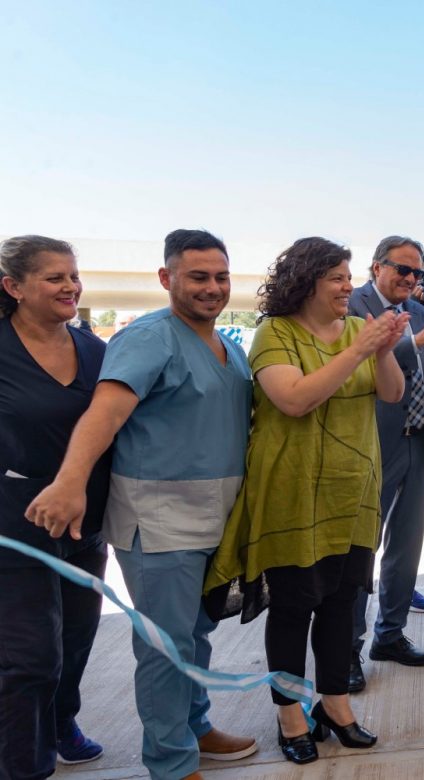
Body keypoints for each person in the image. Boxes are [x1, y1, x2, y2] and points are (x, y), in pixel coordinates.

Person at [25, 229, 257, 779]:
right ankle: (171, 763)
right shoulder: (150, 338)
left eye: (221, 277)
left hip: (216, 517)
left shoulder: (231, 347)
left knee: (195, 635)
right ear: (166, 278)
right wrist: (70, 482)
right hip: (159, 522)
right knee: (164, 646)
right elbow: (104, 414)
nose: (212, 288)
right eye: (197, 276)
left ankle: (195, 728)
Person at [204, 237, 408, 764]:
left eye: (347, 276)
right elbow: (292, 399)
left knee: (343, 604)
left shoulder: (362, 331)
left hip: (354, 491)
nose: (348, 286)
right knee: (294, 608)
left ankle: (335, 705)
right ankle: (290, 714)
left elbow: (391, 393)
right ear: (307, 280)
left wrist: (380, 350)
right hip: (293, 494)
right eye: (338, 277)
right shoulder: (275, 333)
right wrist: (361, 351)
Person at [0, 237, 109, 776]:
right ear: (14, 287)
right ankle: (26, 762)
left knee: (76, 638)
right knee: (30, 658)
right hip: (12, 521)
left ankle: (62, 721)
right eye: (54, 278)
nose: (70, 286)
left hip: (84, 522)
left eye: (73, 275)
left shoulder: (95, 350)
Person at [347, 235, 424, 689]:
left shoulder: (423, 312)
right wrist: (417, 341)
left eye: (416, 272)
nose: (410, 279)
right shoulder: (353, 307)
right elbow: (359, 364)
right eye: (401, 269)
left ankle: (391, 634)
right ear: (376, 267)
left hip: (420, 437)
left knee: (407, 542)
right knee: (361, 547)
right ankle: (347, 648)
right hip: (374, 440)